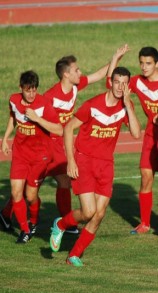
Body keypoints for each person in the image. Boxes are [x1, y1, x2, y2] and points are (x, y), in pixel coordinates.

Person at [49, 66, 141, 266]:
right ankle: (61, 224)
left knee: (99, 215)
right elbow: (68, 128)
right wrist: (71, 160)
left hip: (106, 164)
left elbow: (136, 133)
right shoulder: (92, 105)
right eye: (117, 82)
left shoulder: (126, 106)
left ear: (128, 86)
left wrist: (128, 104)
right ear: (111, 82)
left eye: (124, 83)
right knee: (88, 211)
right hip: (84, 161)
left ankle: (73, 255)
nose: (120, 87)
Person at [43, 55, 110, 233]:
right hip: (49, 143)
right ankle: (67, 223)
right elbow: (47, 124)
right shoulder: (50, 97)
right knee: (41, 184)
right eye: (76, 70)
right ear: (66, 74)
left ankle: (67, 223)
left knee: (62, 181)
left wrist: (116, 58)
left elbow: (99, 75)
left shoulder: (74, 86)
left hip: (63, 142)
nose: (80, 72)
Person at [0, 70, 63, 243]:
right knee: (15, 192)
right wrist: (5, 139)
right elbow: (13, 118)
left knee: (30, 196)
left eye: (34, 89)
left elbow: (59, 129)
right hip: (20, 154)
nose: (31, 93)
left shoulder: (43, 105)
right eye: (28, 90)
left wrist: (37, 119)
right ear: (21, 88)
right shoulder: (13, 100)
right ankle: (25, 230)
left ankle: (34, 221)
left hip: (40, 157)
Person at [106, 45, 158, 234]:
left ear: (157, 64)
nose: (144, 67)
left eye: (148, 63)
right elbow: (110, 85)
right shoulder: (136, 82)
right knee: (145, 177)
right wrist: (115, 58)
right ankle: (145, 223)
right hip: (152, 135)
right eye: (141, 63)